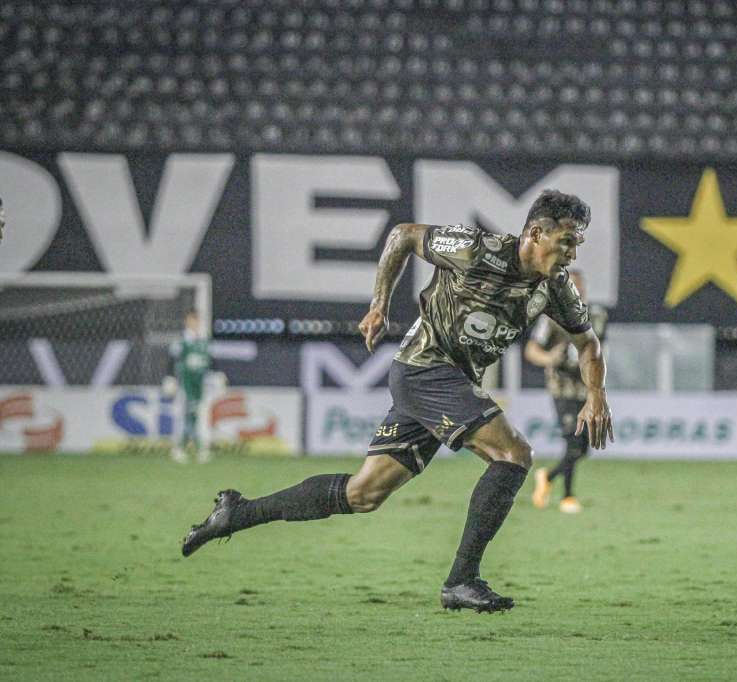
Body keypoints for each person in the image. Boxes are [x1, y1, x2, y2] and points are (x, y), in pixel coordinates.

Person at [181, 190, 614, 613]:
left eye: (577, 243)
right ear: (536, 233)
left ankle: (236, 514)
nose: (573, 253)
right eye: (567, 241)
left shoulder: (555, 287)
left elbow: (588, 344)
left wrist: (596, 397)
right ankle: (462, 580)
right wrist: (379, 304)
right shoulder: (477, 250)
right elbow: (404, 234)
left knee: (363, 493)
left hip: (446, 383)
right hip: (425, 369)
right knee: (514, 453)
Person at [525, 270, 608, 514]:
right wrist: (550, 357)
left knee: (584, 448)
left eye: (579, 287)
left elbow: (598, 350)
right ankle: (568, 497)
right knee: (573, 441)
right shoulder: (550, 318)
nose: (576, 291)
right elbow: (531, 350)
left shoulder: (597, 315)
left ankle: (548, 477)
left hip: (587, 387)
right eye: (571, 287)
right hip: (562, 388)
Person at [165, 310, 213, 463]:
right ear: (187, 321)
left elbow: (209, 362)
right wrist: (170, 378)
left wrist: (216, 375)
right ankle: (178, 448)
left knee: (201, 416)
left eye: (197, 321)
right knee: (182, 416)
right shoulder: (181, 341)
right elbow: (172, 360)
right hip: (184, 384)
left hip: (200, 385)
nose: (195, 324)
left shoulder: (203, 342)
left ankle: (202, 449)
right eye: (192, 320)